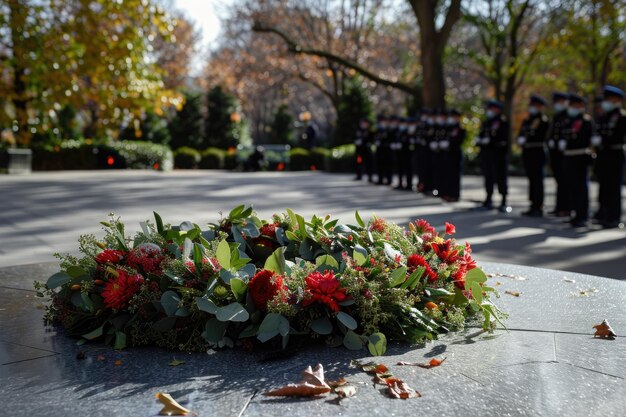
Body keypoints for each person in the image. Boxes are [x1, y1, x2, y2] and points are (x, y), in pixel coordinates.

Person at [592, 85, 626, 228]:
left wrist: (604, 140)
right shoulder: (604, 116)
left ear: (616, 100)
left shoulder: (621, 116)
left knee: (613, 187)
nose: (605, 102)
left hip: (614, 154)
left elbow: (618, 136)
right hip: (602, 155)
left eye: (609, 99)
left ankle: (614, 217)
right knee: (604, 186)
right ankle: (603, 213)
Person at [562, 94, 593, 228]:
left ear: (581, 106)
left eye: (574, 106)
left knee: (581, 188)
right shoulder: (568, 120)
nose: (571, 108)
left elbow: (586, 139)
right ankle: (575, 214)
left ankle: (583, 215)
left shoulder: (585, 121)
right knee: (572, 187)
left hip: (580, 156)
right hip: (569, 156)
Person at [517, 95, 550, 217]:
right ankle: (532, 204)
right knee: (531, 180)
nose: (532, 108)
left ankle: (539, 205)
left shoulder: (542, 121)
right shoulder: (527, 120)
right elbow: (522, 132)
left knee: (538, 180)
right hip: (528, 152)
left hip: (538, 152)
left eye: (535, 106)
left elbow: (541, 136)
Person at [475, 99, 510, 212]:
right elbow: (481, 135)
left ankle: (503, 201)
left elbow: (504, 139)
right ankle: (488, 198)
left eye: (492, 109)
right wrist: (480, 140)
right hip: (487, 154)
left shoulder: (502, 122)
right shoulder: (487, 122)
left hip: (498, 154)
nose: (489, 111)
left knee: (501, 177)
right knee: (488, 177)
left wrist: (491, 141)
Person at [547, 92, 571, 217]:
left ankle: (566, 208)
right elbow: (552, 132)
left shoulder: (568, 116)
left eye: (560, 102)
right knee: (559, 181)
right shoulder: (557, 116)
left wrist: (563, 141)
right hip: (555, 153)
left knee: (565, 181)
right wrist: (551, 140)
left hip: (565, 154)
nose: (557, 105)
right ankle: (559, 207)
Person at [440, 109, 465, 202]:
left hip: (455, 154)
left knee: (455, 175)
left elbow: (459, 141)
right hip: (447, 154)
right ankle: (447, 193)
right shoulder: (448, 128)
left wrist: (449, 144)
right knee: (447, 174)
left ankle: (455, 195)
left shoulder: (460, 129)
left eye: (454, 117)